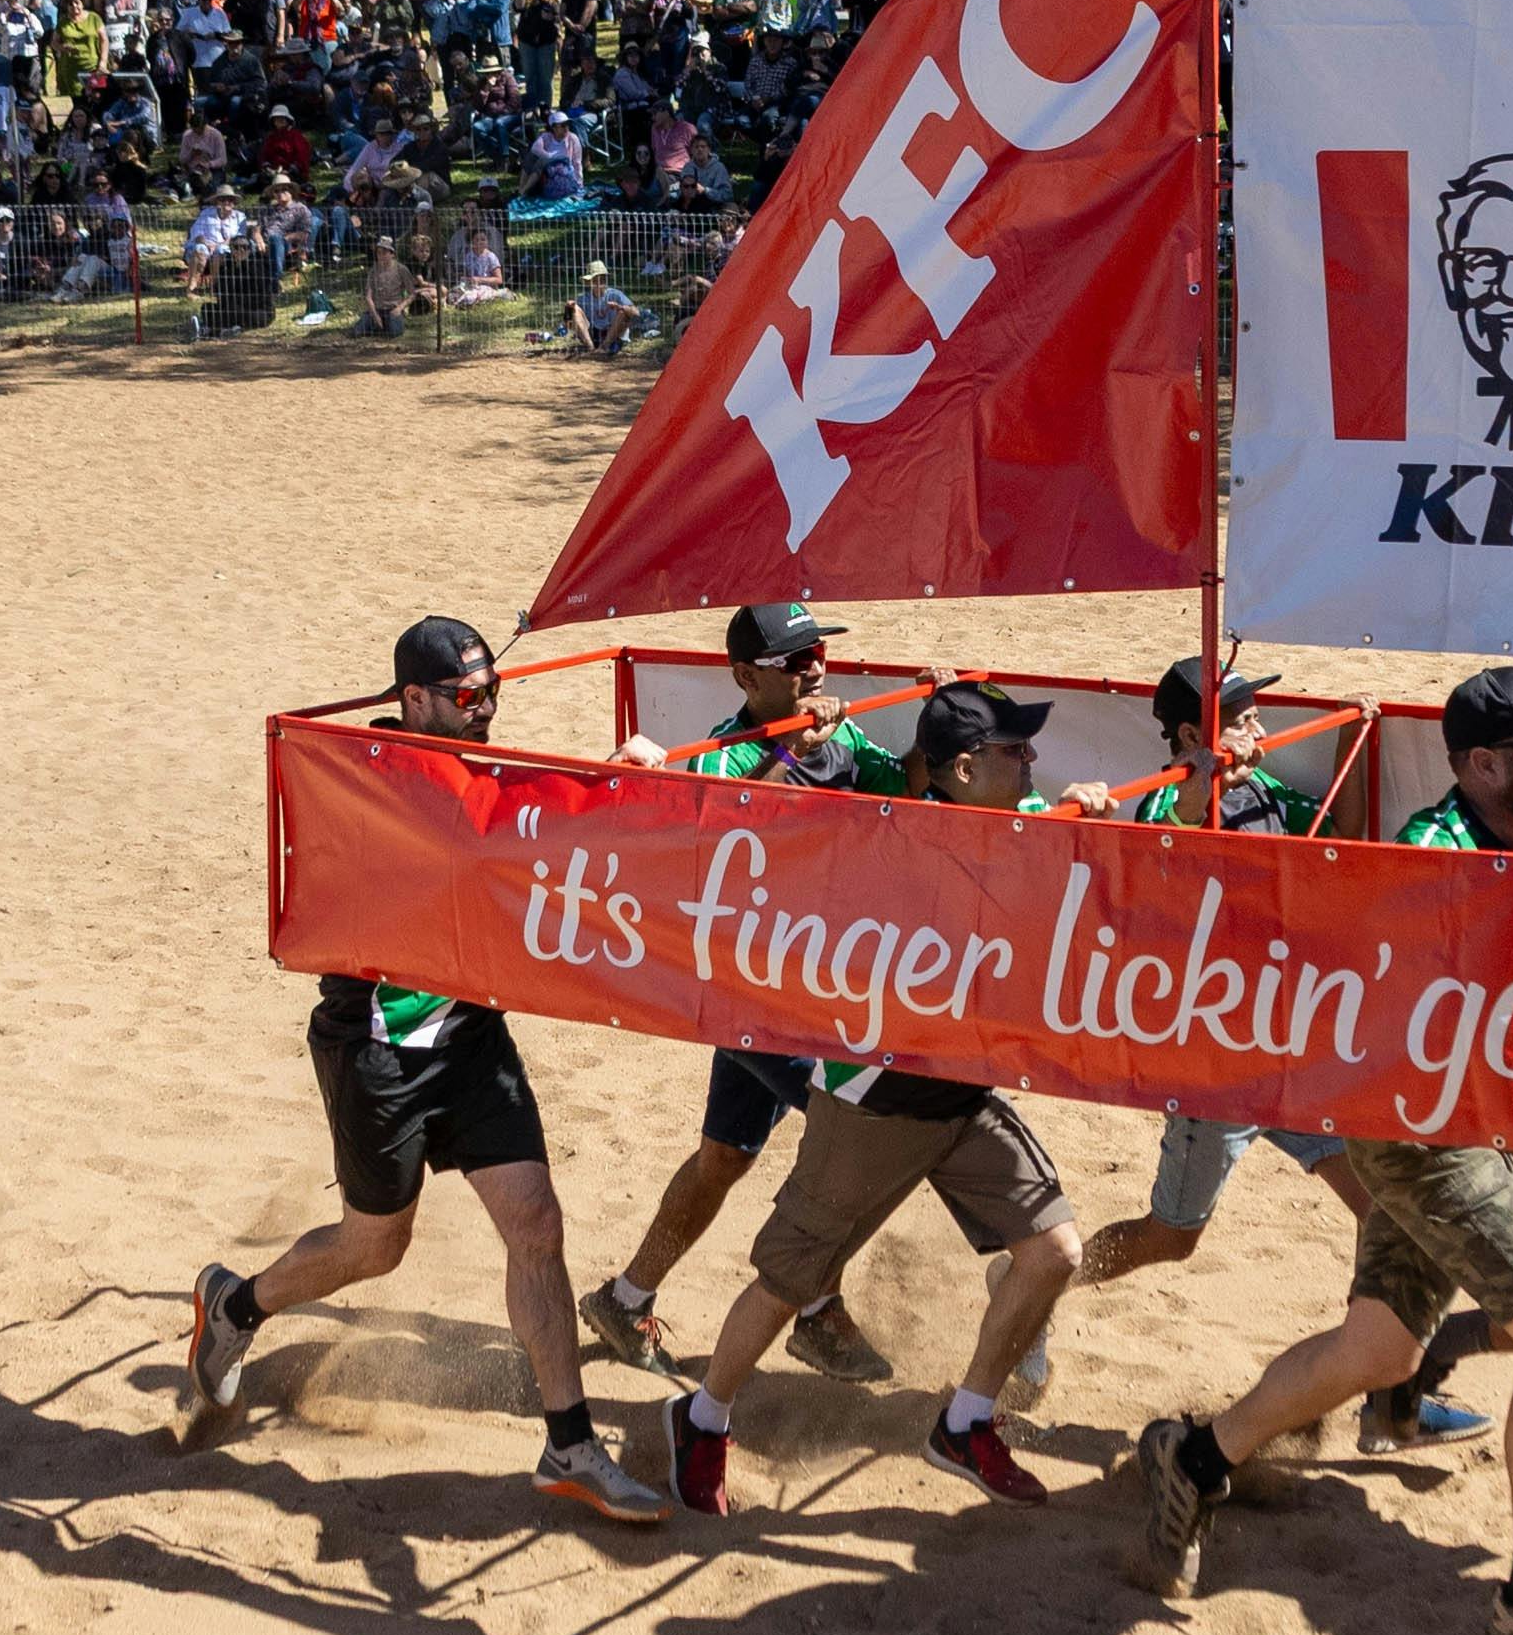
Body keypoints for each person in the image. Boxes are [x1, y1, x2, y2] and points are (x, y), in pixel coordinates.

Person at [1122, 666, 1513, 1635]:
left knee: (1381, 1348)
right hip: (1414, 1133)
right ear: (1484, 764)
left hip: (1460, 1124)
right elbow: (1430, 995)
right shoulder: (1429, 852)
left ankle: (1196, 1458)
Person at [176, 619, 674, 1523]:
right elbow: (485, 838)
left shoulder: (466, 758)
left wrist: (615, 783)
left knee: (535, 1220)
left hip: (471, 1035)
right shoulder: (376, 776)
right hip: (380, 1050)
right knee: (376, 1246)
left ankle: (569, 1443)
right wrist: (605, 782)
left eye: (493, 694)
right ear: (415, 700)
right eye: (469, 698)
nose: (485, 713)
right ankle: (236, 1304)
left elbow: (514, 820)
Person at [662, 684, 1086, 1511]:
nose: (1030, 760)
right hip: (875, 1100)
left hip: (960, 1097)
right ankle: (704, 1414)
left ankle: (964, 1423)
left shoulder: (1006, 813)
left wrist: (1092, 811)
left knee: (1054, 1251)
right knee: (790, 1280)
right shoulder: (898, 840)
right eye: (1014, 749)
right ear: (963, 769)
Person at [576, 604, 914, 1387]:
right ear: (744, 676)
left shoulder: (847, 738)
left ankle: (626, 1298)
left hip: (812, 985)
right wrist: (786, 750)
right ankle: (818, 1309)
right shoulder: (727, 755)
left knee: (723, 1156)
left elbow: (905, 791)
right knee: (847, 1132)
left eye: (819, 653)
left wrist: (941, 730)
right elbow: (714, 824)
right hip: (746, 995)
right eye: (797, 659)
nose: (815, 669)